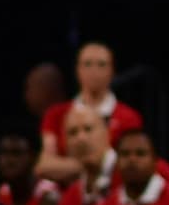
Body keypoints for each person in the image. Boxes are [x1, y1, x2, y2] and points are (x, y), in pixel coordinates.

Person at [36, 42, 143, 186]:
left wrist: (67, 167)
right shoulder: (56, 114)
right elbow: (45, 165)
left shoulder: (129, 117)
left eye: (101, 64)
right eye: (87, 64)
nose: (94, 71)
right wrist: (95, 165)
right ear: (77, 70)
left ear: (112, 71)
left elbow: (132, 164)